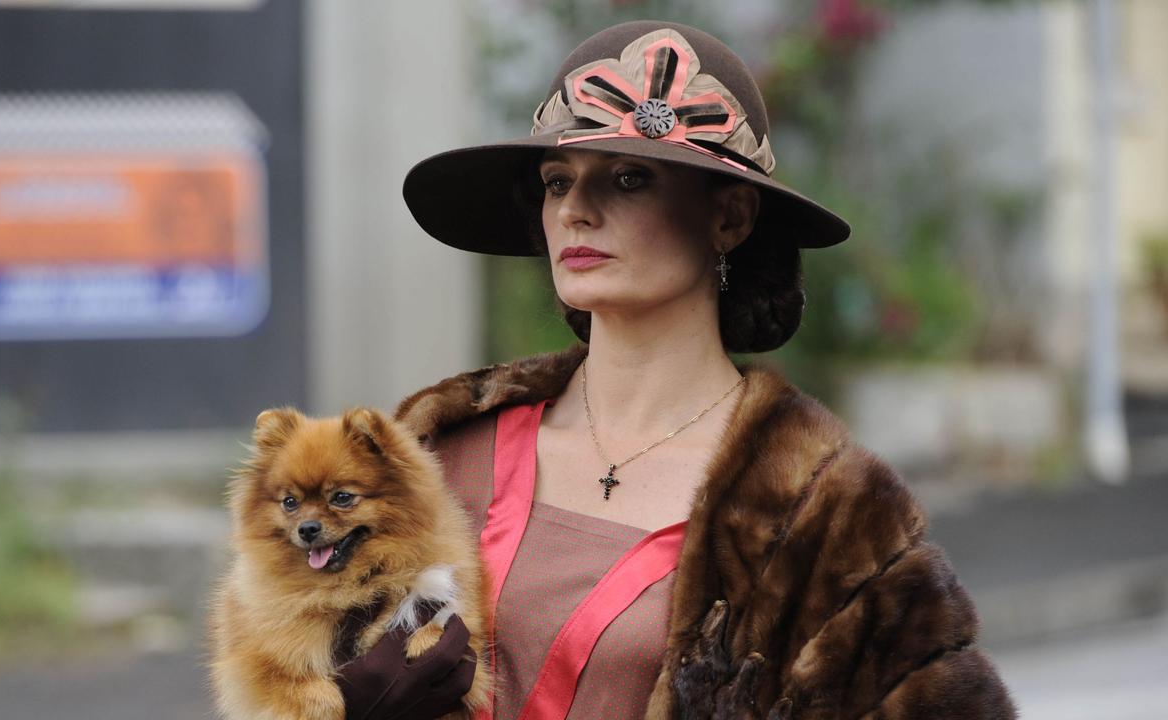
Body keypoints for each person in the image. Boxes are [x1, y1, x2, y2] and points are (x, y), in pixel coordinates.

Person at [336, 20, 1016, 720]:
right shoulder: (436, 452)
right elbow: (280, 662)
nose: (575, 209)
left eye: (628, 177)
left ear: (729, 216)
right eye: (555, 181)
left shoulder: (825, 517)